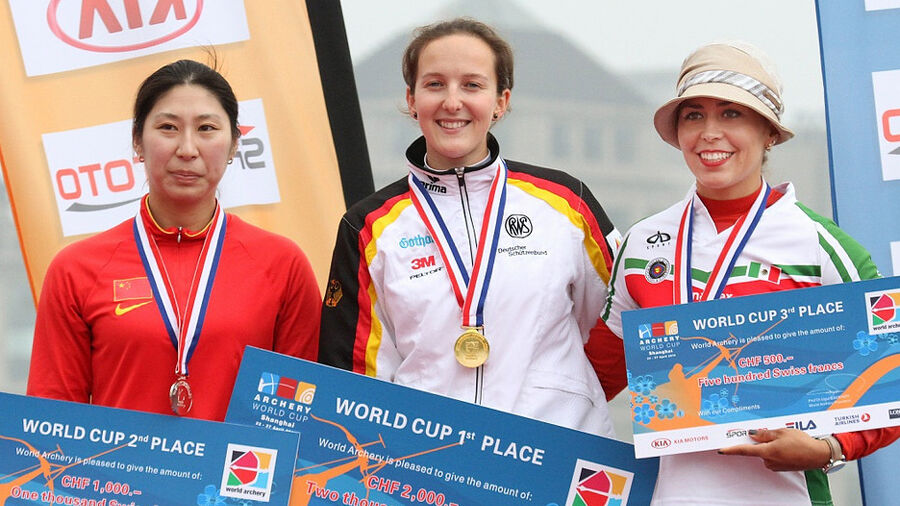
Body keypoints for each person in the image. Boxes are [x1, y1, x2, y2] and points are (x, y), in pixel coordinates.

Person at [602, 41, 900, 505]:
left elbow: (890, 377)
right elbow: (595, 376)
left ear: (770, 133)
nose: (709, 133)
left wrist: (829, 448)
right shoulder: (642, 243)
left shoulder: (821, 245)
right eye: (694, 115)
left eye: (732, 114)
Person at [318, 18, 622, 435]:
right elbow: (353, 376)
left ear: (501, 101)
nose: (452, 101)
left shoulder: (568, 203)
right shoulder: (368, 226)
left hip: (556, 450)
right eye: (435, 84)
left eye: (472, 85)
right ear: (411, 99)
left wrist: (571, 397)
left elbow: (622, 322)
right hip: (429, 459)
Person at [27, 60, 321, 421]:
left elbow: (301, 416)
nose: (187, 148)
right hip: (119, 461)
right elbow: (51, 419)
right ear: (137, 140)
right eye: (168, 127)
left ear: (234, 145)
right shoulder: (76, 269)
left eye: (207, 128)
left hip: (240, 461)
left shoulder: (282, 264)